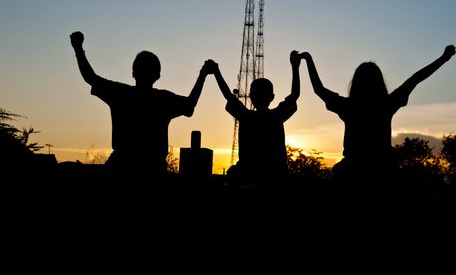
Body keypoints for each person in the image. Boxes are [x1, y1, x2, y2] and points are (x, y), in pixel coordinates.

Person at [301, 45, 456, 184]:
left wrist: (307, 60)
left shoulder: (349, 106)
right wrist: (443, 59)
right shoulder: (386, 104)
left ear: (356, 83)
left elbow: (318, 89)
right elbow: (415, 79)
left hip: (353, 171)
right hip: (384, 171)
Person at [70, 31, 213, 178]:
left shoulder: (121, 94)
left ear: (133, 72)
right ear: (157, 75)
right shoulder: (163, 100)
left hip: (121, 169)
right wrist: (203, 75)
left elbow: (90, 77)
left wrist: (78, 49)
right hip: (152, 170)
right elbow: (190, 105)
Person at [209, 51, 302, 186]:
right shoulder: (276, 116)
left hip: (250, 174)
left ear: (251, 96)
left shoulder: (246, 117)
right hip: (274, 175)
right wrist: (295, 67)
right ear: (272, 97)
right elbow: (295, 94)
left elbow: (228, 96)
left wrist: (217, 72)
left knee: (232, 174)